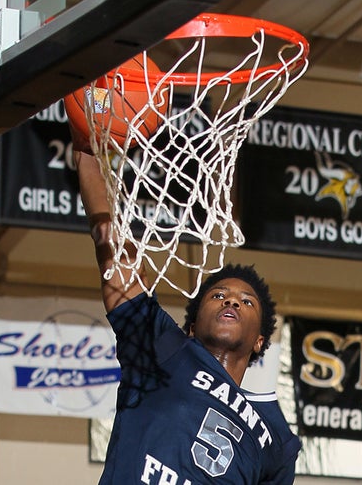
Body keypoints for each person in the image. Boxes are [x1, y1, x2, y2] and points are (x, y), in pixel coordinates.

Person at [74, 142, 301, 484]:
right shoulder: (166, 350)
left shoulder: (278, 439)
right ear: (192, 326)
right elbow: (116, 256)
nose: (232, 302)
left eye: (246, 301)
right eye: (219, 295)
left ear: (259, 341)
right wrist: (87, 152)